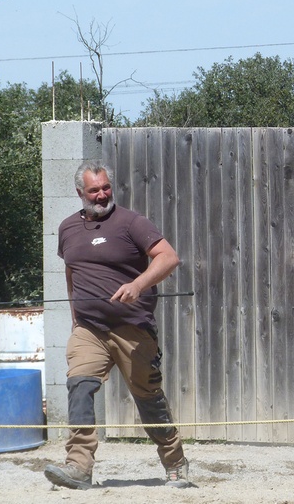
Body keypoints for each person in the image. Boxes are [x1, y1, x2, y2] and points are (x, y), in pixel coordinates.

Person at [44, 160, 189, 490]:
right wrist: (74, 319)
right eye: (94, 190)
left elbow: (168, 257)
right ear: (79, 192)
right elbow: (72, 274)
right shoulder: (67, 228)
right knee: (79, 386)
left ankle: (175, 460)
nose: (101, 194)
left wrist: (138, 285)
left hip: (132, 328)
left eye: (106, 187)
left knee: (147, 396)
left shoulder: (131, 223)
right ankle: (78, 466)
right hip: (89, 329)